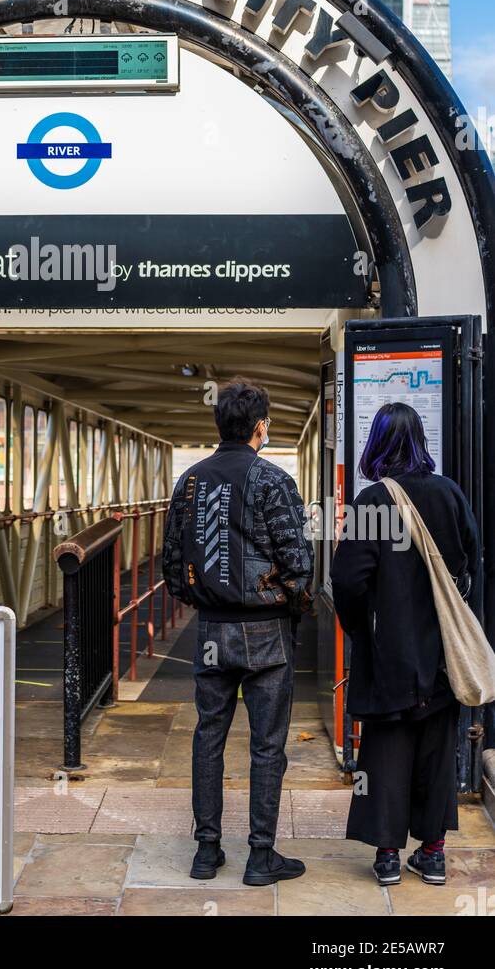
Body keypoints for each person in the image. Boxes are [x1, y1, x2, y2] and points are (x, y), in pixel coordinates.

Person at [162, 380, 314, 887]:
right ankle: (260, 856)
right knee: (267, 745)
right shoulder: (273, 481)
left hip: (210, 633)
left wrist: (205, 601)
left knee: (209, 738)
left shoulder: (189, 483)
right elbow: (299, 563)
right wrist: (288, 603)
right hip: (266, 634)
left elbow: (171, 566)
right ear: (261, 427)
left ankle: (207, 852)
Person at [331, 401, 479, 887]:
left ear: (377, 444)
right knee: (437, 753)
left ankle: (389, 857)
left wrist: (361, 632)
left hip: (390, 652)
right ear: (421, 442)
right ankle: (433, 855)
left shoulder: (372, 502)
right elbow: (469, 565)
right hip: (441, 654)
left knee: (386, 752)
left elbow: (348, 581)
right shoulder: (450, 494)